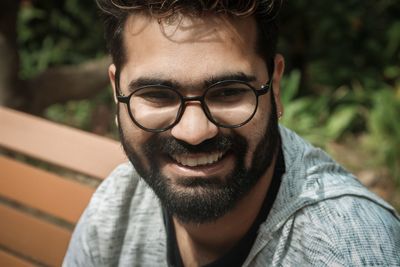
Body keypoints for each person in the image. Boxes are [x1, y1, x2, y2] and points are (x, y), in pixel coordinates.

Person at [63, 1, 400, 266]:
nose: (194, 132)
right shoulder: (115, 210)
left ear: (275, 87)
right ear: (116, 92)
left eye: (228, 92)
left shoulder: (351, 249)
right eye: (157, 95)